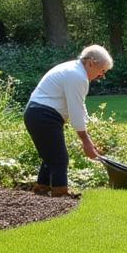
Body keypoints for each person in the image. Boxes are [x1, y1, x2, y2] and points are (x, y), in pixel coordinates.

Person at [24, 45, 112, 196]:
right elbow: (75, 111)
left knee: (50, 157)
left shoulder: (73, 69)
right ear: (91, 62)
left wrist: (89, 131)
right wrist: (86, 141)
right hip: (44, 115)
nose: (101, 76)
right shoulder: (78, 76)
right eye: (102, 71)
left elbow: (79, 105)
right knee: (59, 159)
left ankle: (40, 192)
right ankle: (61, 197)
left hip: (36, 113)